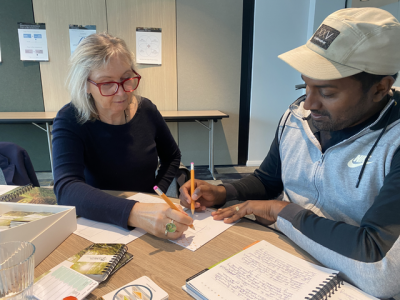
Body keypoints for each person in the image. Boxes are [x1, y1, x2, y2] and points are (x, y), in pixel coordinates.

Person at [180, 8, 400, 298]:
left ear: (380, 88)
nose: (308, 104)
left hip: (348, 282)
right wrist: (223, 191)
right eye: (305, 85)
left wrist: (279, 211)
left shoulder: (393, 142)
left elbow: (380, 269)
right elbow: (268, 180)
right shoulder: (297, 116)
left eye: (327, 92)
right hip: (282, 259)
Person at [52, 33, 193, 239]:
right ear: (85, 85)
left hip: (147, 216)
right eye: (106, 83)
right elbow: (66, 189)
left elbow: (172, 156)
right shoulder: (70, 118)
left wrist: (156, 193)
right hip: (99, 220)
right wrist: (135, 212)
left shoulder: (146, 109)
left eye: (126, 78)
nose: (122, 93)